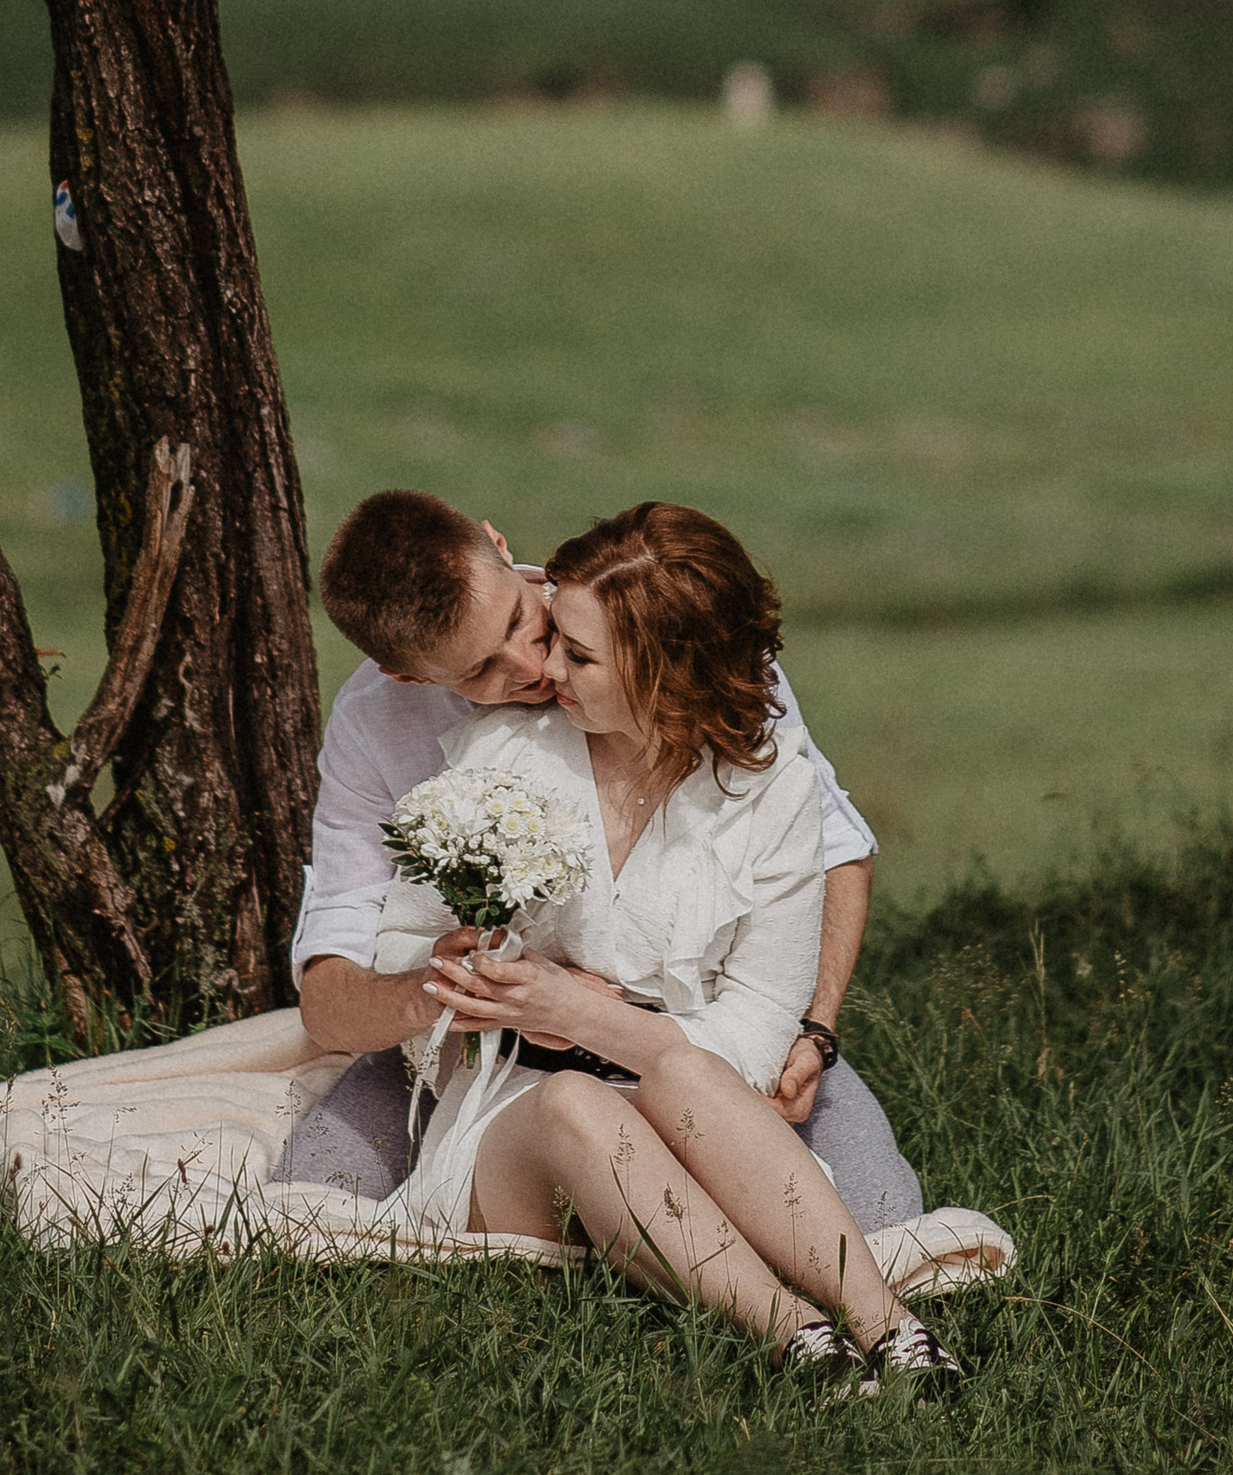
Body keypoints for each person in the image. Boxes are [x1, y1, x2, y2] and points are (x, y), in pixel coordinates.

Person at [372, 499, 957, 1385]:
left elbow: (760, 1032)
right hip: (515, 1121)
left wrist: (594, 1018)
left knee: (682, 1071)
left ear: (661, 672)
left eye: (576, 654)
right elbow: (400, 964)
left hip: (695, 1110)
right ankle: (798, 1334)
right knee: (577, 1103)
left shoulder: (774, 793)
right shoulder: (501, 759)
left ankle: (896, 1334)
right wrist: (473, 986)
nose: (544, 669)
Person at [278, 486, 922, 1235]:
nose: (536, 666)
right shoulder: (376, 725)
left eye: (525, 619)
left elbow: (834, 848)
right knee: (307, 1209)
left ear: (496, 539)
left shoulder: (665, 635)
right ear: (411, 677)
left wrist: (812, 1031)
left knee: (881, 1224)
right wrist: (454, 992)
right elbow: (334, 984)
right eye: (483, 670)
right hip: (494, 1050)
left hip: (707, 1024)